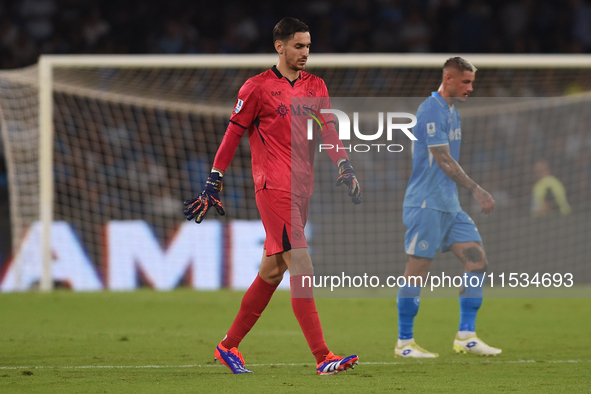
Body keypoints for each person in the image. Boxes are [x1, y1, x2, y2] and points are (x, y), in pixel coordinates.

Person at [183, 17, 361, 375]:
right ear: (280, 46)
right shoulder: (257, 88)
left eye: (308, 46)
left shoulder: (316, 86)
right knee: (302, 265)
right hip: (273, 187)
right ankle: (323, 357)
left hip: (302, 189)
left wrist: (344, 164)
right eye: (299, 46)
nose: (305, 52)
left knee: (272, 270)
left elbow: (329, 129)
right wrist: (213, 180)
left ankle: (227, 346)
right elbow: (232, 135)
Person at [396, 57, 501, 358]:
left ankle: (466, 336)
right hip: (426, 204)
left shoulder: (453, 112)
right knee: (416, 273)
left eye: (472, 82)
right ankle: (404, 343)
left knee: (478, 262)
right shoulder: (430, 109)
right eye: (465, 82)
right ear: (449, 78)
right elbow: (442, 159)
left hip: (450, 206)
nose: (470, 88)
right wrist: (476, 189)